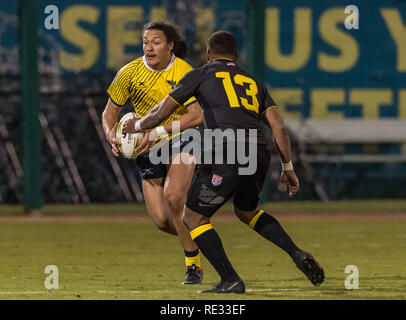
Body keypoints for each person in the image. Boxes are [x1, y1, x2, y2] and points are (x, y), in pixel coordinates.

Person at [123, 30, 325, 293]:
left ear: (208, 54)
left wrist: (136, 126)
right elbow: (280, 129)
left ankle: (230, 279)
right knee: (247, 212)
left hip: (225, 151)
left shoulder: (200, 74)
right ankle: (296, 253)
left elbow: (161, 111)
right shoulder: (254, 82)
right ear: (236, 56)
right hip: (257, 152)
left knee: (193, 217)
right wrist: (288, 167)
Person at [102, 21, 205, 285]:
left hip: (182, 138)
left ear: (170, 45)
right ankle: (203, 235)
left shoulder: (184, 71)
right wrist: (111, 134)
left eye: (156, 42)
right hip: (146, 148)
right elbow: (108, 114)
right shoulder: (129, 72)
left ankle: (193, 265)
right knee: (161, 220)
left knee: (174, 197)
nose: (149, 47)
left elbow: (196, 116)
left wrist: (157, 131)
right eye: (146, 42)